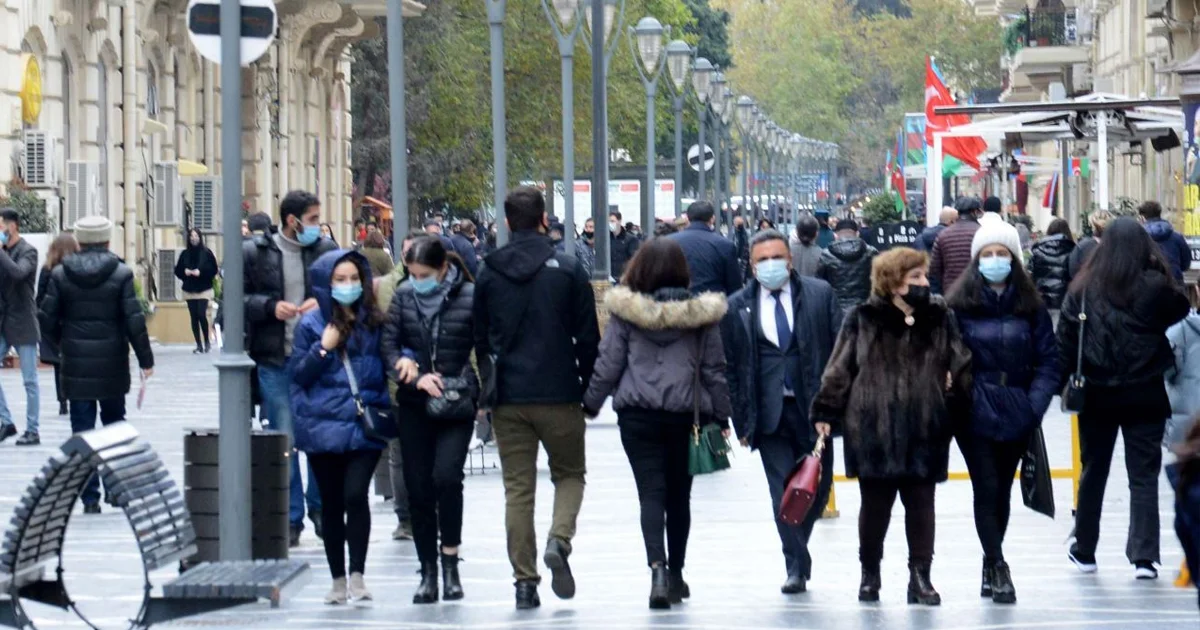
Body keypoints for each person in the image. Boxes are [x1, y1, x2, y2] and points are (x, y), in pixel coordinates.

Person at [811, 247, 972, 606]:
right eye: (915, 277)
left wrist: (951, 395)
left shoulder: (939, 316)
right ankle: (870, 573)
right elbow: (840, 368)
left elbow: (960, 360)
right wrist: (826, 410)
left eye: (924, 276)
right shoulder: (862, 317)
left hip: (924, 425)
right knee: (875, 507)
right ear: (893, 281)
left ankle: (920, 576)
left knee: (922, 505)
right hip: (873, 427)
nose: (923, 283)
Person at [583, 238, 732, 609]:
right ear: (683, 272)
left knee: (651, 493)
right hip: (687, 416)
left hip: (637, 416)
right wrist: (723, 414)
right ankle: (678, 573)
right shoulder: (703, 316)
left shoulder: (625, 314)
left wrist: (590, 403)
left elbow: (609, 362)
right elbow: (714, 370)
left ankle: (658, 571)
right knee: (680, 496)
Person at [474, 186, 600, 609]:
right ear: (544, 217)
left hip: (509, 395)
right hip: (560, 391)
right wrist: (586, 389)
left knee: (518, 488)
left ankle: (524, 582)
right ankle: (559, 540)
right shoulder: (566, 270)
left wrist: (487, 390)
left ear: (508, 222)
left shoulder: (489, 272)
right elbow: (588, 338)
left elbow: (480, 338)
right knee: (569, 475)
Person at [1058, 217, 1191, 580]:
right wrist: (1158, 266)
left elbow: (1066, 340)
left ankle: (1084, 549)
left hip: (1097, 394)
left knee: (1093, 470)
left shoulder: (1082, 288)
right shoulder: (1155, 287)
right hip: (1145, 392)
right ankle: (1144, 557)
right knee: (1143, 476)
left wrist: (1062, 384)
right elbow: (1181, 306)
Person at [722, 230, 842, 594]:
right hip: (768, 412)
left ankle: (798, 550)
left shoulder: (820, 295)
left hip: (814, 410)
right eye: (762, 260)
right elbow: (732, 367)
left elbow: (839, 354)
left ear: (789, 260)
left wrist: (833, 407)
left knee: (815, 491)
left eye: (777, 257)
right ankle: (796, 563)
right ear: (752, 265)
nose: (771, 265)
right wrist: (741, 420)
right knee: (783, 493)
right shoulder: (737, 305)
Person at [946, 219, 1059, 604]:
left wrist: (1035, 405)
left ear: (1014, 258)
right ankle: (997, 563)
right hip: (973, 409)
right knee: (986, 485)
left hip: (1017, 408)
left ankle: (989, 560)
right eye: (988, 254)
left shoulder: (1032, 307)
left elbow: (1049, 360)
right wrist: (962, 397)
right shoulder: (959, 305)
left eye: (1002, 253)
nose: (995, 260)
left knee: (1003, 492)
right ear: (977, 259)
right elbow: (947, 356)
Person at [381, 237, 478, 604]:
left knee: (447, 477)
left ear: (442, 270)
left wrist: (480, 392)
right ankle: (428, 571)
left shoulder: (468, 294)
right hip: (414, 401)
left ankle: (450, 561)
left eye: (423, 274)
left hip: (455, 402)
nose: (416, 280)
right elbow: (388, 344)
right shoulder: (404, 296)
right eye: (412, 274)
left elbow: (484, 345)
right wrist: (409, 370)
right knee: (418, 486)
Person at [288, 249, 388, 605]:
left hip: (363, 425)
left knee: (355, 495)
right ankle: (337, 579)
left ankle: (358, 574)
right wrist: (323, 348)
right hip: (323, 427)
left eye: (353, 279)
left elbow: (388, 360)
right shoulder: (312, 325)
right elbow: (299, 375)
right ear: (325, 284)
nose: (348, 286)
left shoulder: (374, 321)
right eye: (340, 280)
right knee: (331, 503)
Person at [38, 216, 154, 512]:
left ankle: (89, 497)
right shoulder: (121, 273)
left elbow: (46, 319)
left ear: (79, 241)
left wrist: (64, 341)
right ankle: (115, 490)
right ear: (107, 240)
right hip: (113, 362)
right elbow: (134, 320)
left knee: (83, 430)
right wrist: (145, 359)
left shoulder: (61, 275)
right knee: (114, 426)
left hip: (76, 364)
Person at [244, 190, 338, 546]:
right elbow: (236, 300)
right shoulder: (256, 252)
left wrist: (322, 301)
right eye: (313, 219)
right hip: (275, 357)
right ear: (292, 220)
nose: (318, 226)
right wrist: (270, 307)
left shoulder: (326, 251)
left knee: (318, 435)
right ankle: (291, 516)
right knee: (284, 438)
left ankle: (320, 509)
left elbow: (350, 290)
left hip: (318, 358)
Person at [375, 230, 427, 541]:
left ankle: (425, 510)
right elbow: (384, 337)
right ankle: (405, 517)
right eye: (408, 252)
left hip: (435, 384)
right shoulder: (385, 288)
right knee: (399, 455)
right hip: (398, 385)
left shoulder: (445, 284)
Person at [0, 208, 42, 446]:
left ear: (12, 226)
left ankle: (33, 430)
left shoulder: (28, 251)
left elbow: (18, 273)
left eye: (0, 226)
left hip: (24, 323)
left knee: (29, 380)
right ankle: (6, 422)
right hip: (4, 322)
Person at [37, 233, 79, 418]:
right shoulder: (77, 270)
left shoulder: (47, 269)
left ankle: (62, 401)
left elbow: (40, 297)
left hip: (54, 322)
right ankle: (74, 395)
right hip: (74, 321)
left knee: (58, 364)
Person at [668, 201, 742, 296]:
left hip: (677, 304)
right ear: (712, 219)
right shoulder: (725, 245)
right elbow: (734, 286)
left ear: (687, 218)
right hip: (713, 305)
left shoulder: (670, 241)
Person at [817, 218, 878, 313]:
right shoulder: (871, 252)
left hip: (836, 309)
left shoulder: (826, 254)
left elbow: (819, 283)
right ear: (857, 233)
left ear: (836, 235)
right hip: (866, 308)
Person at [175, 228, 219, 354]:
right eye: (191, 236)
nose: (193, 238)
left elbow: (213, 269)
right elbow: (177, 270)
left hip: (204, 288)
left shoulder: (206, 253)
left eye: (196, 236)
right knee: (193, 316)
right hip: (189, 289)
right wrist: (185, 272)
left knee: (201, 313)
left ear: (200, 237)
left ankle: (207, 342)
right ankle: (198, 344)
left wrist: (201, 272)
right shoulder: (185, 254)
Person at [929, 196, 984, 294]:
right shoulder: (982, 233)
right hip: (977, 291)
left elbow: (934, 269)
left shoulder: (943, 234)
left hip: (950, 292)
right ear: (975, 212)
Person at [1139, 201, 1191, 282]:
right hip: (1174, 282)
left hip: (1147, 285)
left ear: (1142, 217)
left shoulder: (1138, 238)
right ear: (1159, 214)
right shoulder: (1177, 237)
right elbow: (1185, 264)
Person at [1029, 218, 1075, 310]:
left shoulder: (1037, 251)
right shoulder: (1072, 250)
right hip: (1064, 300)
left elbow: (1030, 275)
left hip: (1042, 299)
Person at [1066, 210, 1111, 284]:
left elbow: (1072, 271)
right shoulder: (1117, 247)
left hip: (1086, 291)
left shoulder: (1083, 246)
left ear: (1092, 225)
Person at [609, 211, 641, 279]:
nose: (610, 224)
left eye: (612, 221)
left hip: (624, 277)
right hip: (610, 277)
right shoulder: (606, 239)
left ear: (619, 221)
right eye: (608, 221)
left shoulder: (631, 239)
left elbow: (634, 258)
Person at [731, 215, 751, 281]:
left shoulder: (746, 233)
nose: (740, 225)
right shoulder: (732, 233)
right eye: (738, 224)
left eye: (741, 224)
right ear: (735, 224)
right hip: (735, 257)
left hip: (744, 256)